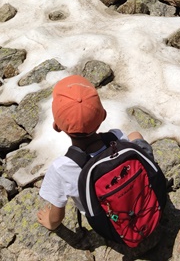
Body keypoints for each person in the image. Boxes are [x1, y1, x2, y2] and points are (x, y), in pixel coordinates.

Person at [37, 74, 154, 231]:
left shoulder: (61, 168)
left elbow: (57, 217)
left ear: (57, 126)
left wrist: (50, 223)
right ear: (103, 116)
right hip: (146, 205)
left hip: (113, 226)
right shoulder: (117, 137)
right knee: (135, 136)